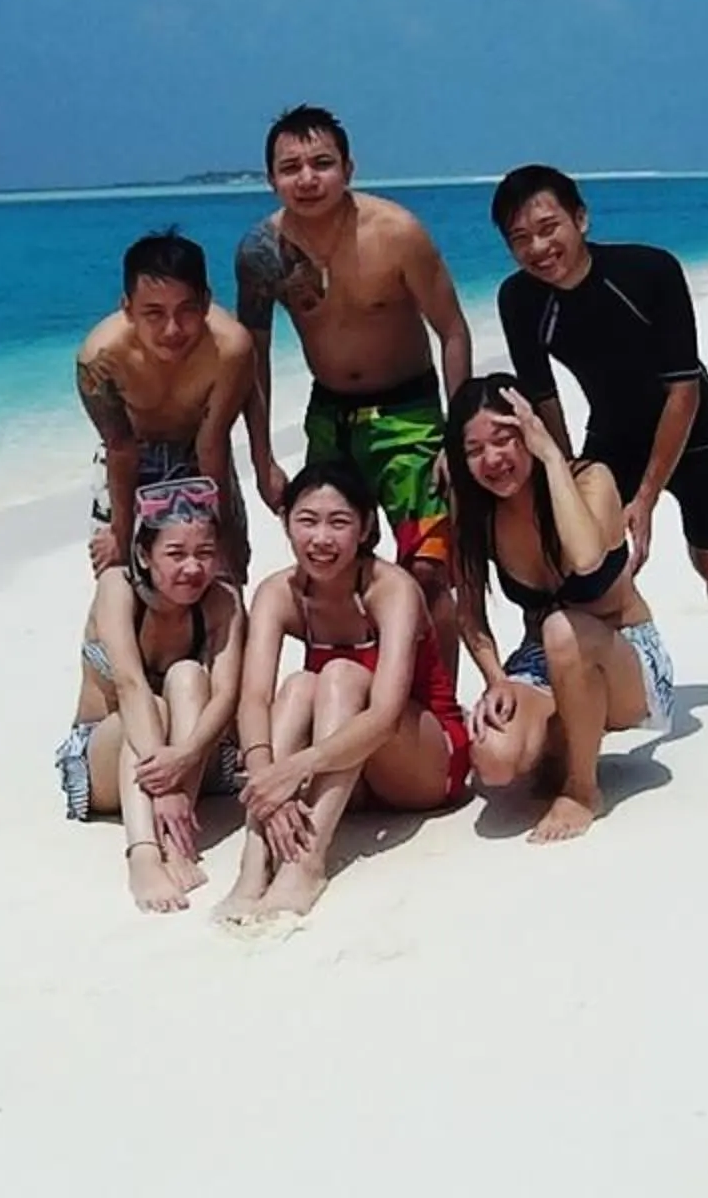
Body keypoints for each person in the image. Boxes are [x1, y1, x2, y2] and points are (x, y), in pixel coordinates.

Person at [492, 165, 708, 695]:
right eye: (520, 239)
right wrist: (566, 474)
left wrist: (644, 497)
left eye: (549, 228)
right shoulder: (521, 299)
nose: (539, 248)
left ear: (581, 218)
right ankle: (571, 673)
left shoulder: (650, 271)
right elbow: (543, 395)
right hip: (613, 439)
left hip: (697, 435)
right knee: (579, 560)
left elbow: (682, 391)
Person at [232, 105, 472, 644]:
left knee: (429, 571)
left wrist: (456, 437)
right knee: (332, 571)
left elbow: (453, 331)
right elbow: (253, 357)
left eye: (322, 163)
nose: (307, 179)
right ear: (271, 179)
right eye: (291, 167)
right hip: (330, 418)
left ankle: (439, 714)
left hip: (410, 414)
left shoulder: (397, 233)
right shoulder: (260, 252)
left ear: (349, 168)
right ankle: (352, 694)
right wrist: (262, 456)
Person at [219, 461, 471, 923]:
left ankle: (306, 863)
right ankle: (254, 864)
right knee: (297, 687)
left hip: (424, 763)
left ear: (366, 526)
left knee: (338, 674)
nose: (321, 539)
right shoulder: (278, 593)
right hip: (349, 774)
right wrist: (267, 780)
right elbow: (254, 698)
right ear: (285, 522)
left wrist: (296, 767)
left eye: (339, 522)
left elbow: (385, 715)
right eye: (307, 521)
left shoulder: (392, 588)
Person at [446, 374, 677, 843]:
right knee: (494, 759)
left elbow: (588, 557)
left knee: (560, 629)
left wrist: (551, 455)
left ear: (529, 432)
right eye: (473, 450)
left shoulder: (590, 479)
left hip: (625, 657)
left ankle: (582, 788)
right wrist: (498, 680)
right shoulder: (475, 511)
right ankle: (565, 740)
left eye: (505, 438)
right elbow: (469, 614)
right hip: (544, 658)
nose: (492, 459)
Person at [57, 486, 248, 913]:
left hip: (196, 763)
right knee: (150, 706)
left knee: (187, 675)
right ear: (144, 555)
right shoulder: (117, 588)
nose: (193, 567)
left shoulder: (222, 601)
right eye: (176, 553)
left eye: (205, 553)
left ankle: (177, 842)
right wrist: (165, 783)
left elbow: (226, 696)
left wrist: (184, 757)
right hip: (110, 759)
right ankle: (144, 853)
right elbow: (129, 684)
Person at [77, 229, 258, 582]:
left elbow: (212, 444)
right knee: (122, 575)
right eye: (154, 313)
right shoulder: (100, 357)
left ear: (206, 303)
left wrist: (225, 532)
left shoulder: (230, 348)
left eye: (186, 311)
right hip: (131, 450)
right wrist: (121, 531)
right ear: (127, 309)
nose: (172, 329)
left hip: (199, 449)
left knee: (221, 574)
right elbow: (120, 446)